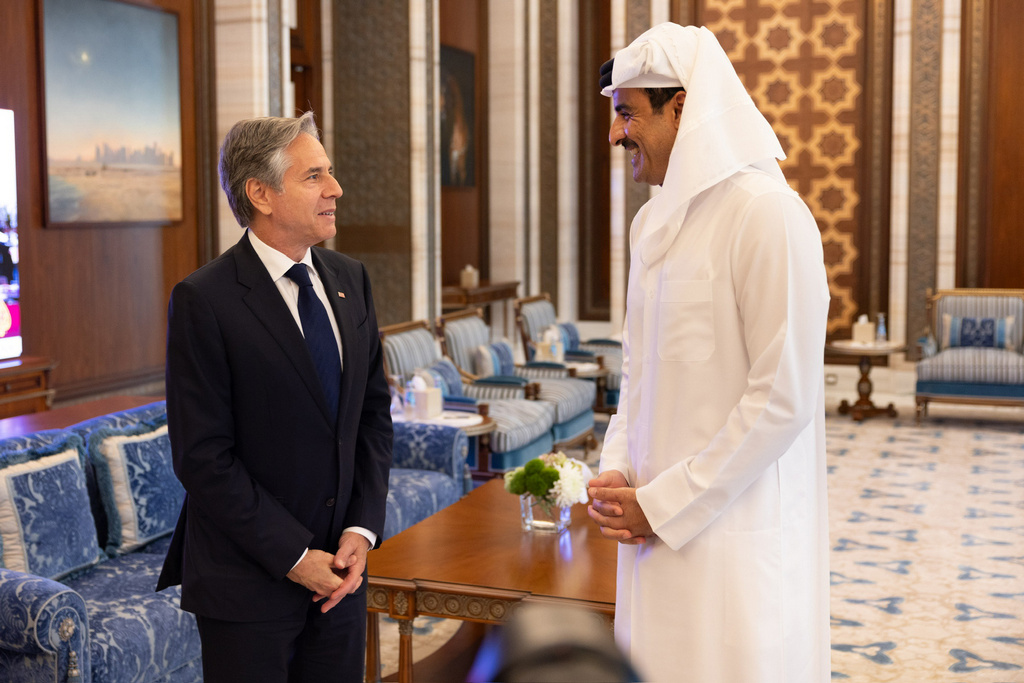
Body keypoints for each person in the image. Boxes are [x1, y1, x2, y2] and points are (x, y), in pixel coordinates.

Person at [586, 23, 831, 682]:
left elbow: (784, 395)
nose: (615, 134)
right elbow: (638, 374)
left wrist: (666, 503)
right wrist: (617, 471)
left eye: (627, 114)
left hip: (731, 536)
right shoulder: (650, 223)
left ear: (684, 107)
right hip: (648, 531)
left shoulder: (768, 214)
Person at [156, 111, 393, 682]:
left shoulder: (350, 278)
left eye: (329, 173)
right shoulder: (203, 300)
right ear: (261, 193)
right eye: (315, 176)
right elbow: (203, 457)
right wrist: (294, 557)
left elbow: (372, 417)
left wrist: (361, 531)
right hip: (247, 586)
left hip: (339, 579)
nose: (335, 189)